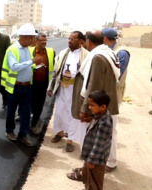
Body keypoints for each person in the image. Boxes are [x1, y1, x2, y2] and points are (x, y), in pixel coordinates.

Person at [72, 30, 119, 159]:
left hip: (97, 106)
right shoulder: (108, 53)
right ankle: (109, 162)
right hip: (105, 103)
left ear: (88, 41)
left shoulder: (97, 57)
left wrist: (85, 109)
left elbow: (93, 85)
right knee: (109, 136)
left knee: (90, 138)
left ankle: (90, 168)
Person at [1, 23, 42, 146]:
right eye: (31, 38)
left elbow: (27, 65)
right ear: (24, 37)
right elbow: (14, 67)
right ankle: (10, 131)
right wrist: (32, 61)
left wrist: (35, 66)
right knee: (11, 111)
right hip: (15, 86)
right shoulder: (12, 49)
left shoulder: (28, 49)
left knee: (25, 111)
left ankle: (23, 135)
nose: (32, 40)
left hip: (26, 86)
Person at [47, 31, 89, 152]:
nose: (69, 41)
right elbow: (56, 71)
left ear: (81, 41)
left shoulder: (86, 56)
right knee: (59, 111)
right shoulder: (63, 53)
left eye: (73, 39)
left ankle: (70, 140)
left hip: (75, 90)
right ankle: (59, 133)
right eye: (69, 39)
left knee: (72, 114)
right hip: (62, 87)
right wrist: (51, 87)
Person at [68, 90, 113, 190]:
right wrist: (90, 119)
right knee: (89, 177)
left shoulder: (105, 123)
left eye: (92, 105)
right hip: (92, 155)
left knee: (95, 181)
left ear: (103, 107)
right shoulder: (101, 115)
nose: (89, 107)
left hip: (97, 159)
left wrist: (92, 160)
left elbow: (99, 145)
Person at [102, 27, 130, 172]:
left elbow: (116, 78)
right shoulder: (110, 51)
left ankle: (111, 162)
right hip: (106, 96)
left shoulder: (121, 53)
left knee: (111, 130)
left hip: (112, 97)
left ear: (105, 39)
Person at [28, 33, 55, 134]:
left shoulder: (50, 52)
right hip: (31, 83)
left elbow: (53, 67)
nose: (44, 43)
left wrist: (51, 85)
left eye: (45, 41)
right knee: (30, 103)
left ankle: (34, 124)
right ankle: (28, 118)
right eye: (41, 41)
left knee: (39, 105)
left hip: (43, 83)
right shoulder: (30, 51)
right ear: (36, 41)